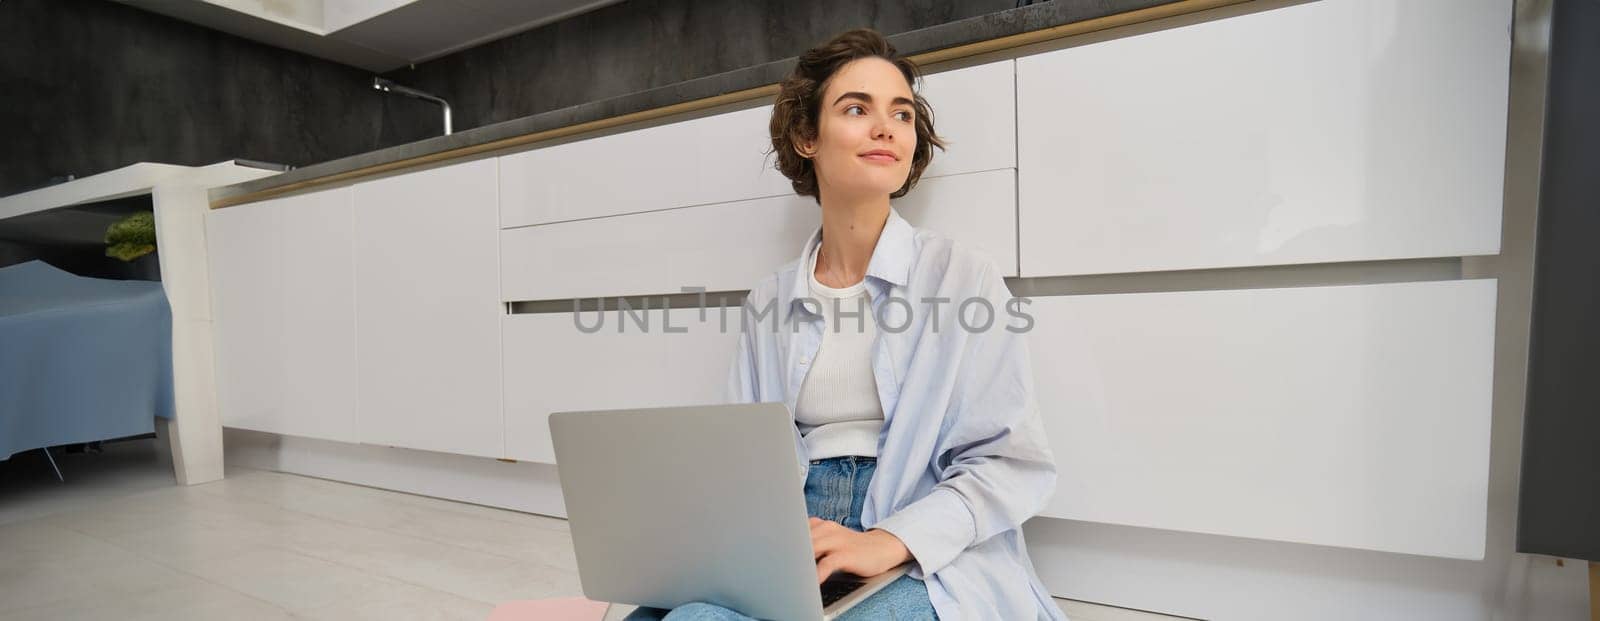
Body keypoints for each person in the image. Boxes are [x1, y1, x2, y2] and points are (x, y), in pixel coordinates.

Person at [626, 28, 1065, 621]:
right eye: (857, 108)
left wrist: (888, 540)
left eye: (902, 113)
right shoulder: (770, 300)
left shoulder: (962, 278)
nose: (887, 127)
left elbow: (1009, 463)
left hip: (919, 538)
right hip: (794, 530)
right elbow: (737, 459)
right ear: (807, 136)